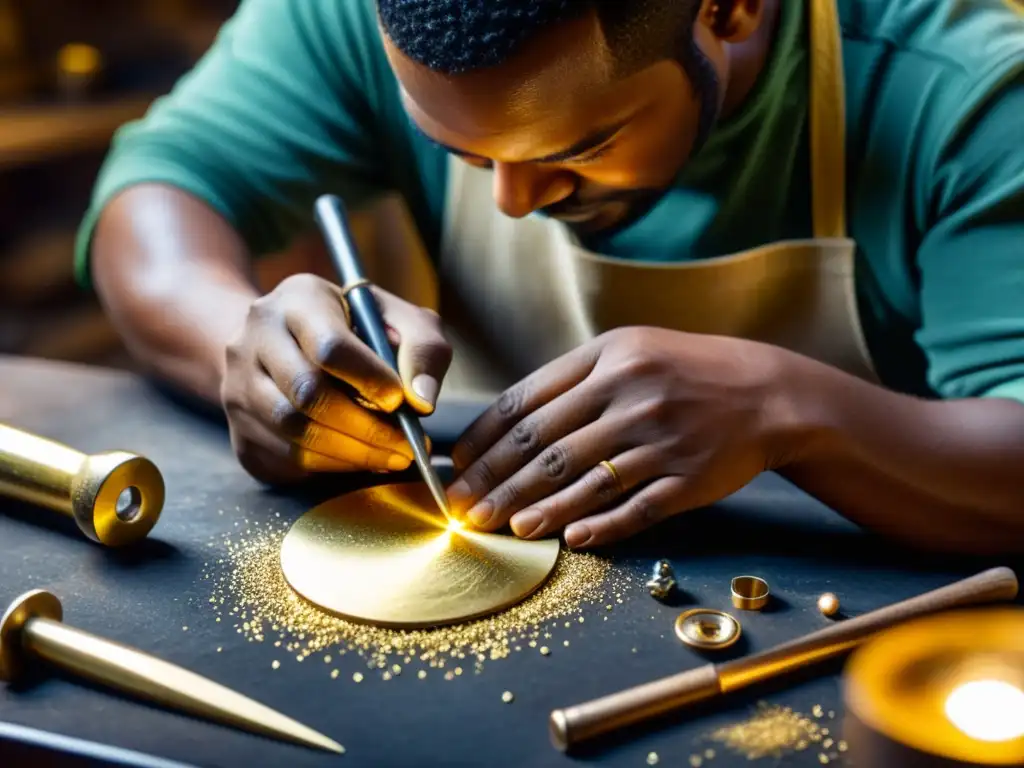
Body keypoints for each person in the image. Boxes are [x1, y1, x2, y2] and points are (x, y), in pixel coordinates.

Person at [79, 0, 1024, 554]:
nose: (514, 203)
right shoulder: (354, 16)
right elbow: (159, 190)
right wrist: (246, 348)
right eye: (462, 150)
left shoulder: (966, 95)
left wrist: (794, 412)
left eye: (585, 145)